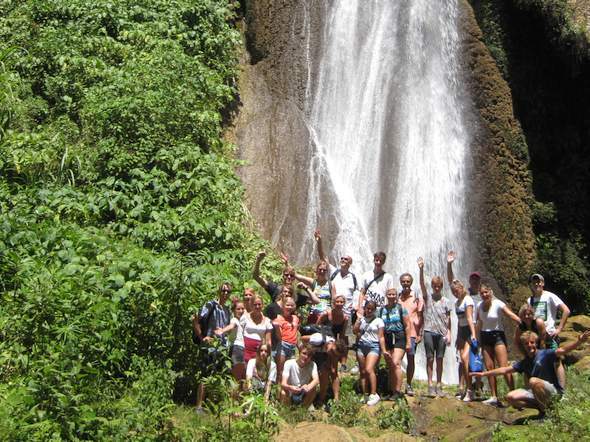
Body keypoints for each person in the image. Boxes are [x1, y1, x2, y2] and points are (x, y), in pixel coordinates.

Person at [471, 330, 590, 417]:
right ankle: (542, 406)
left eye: (532, 342)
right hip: (537, 393)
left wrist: (578, 342)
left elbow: (563, 350)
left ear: (536, 343)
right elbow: (505, 370)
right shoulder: (525, 362)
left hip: (553, 391)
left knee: (533, 381)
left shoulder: (546, 353)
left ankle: (545, 413)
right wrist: (483, 374)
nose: (529, 345)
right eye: (526, 344)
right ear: (523, 346)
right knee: (510, 397)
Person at [314, 230, 359, 357]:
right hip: (333, 310)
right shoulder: (334, 271)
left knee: (343, 336)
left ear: (350, 263)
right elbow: (323, 257)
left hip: (346, 312)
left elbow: (359, 292)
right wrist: (319, 241)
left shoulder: (354, 278)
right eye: (342, 258)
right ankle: (326, 356)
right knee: (329, 332)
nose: (343, 260)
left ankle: (343, 361)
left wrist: (357, 308)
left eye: (346, 259)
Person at [476, 283, 521, 406]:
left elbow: (510, 314)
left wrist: (523, 323)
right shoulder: (479, 306)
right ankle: (494, 396)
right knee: (490, 368)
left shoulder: (498, 303)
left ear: (490, 292)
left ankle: (514, 394)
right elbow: (478, 322)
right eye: (482, 293)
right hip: (485, 336)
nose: (484, 295)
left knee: (504, 367)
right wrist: (476, 338)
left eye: (486, 292)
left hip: (498, 336)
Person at [192, 282, 232, 414]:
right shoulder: (210, 305)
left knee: (217, 376)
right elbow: (196, 319)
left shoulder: (227, 310)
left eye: (228, 291)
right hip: (209, 347)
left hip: (221, 348)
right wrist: (202, 337)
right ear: (218, 291)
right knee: (205, 375)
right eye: (223, 290)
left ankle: (212, 406)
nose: (225, 293)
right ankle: (198, 406)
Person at [418, 257, 451, 397]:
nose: (436, 288)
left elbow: (449, 319)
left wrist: (449, 333)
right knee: (430, 358)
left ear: (442, 287)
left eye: (439, 286)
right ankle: (430, 384)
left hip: (442, 333)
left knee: (440, 359)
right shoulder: (427, 298)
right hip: (428, 331)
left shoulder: (446, 301)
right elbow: (421, 285)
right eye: (434, 286)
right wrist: (421, 269)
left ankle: (439, 384)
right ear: (432, 286)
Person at [379, 288, 411, 400]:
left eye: (393, 294)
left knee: (396, 363)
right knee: (390, 365)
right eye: (389, 294)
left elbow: (407, 325)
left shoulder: (401, 308)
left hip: (399, 336)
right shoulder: (381, 310)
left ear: (396, 296)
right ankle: (390, 391)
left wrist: (408, 342)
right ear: (386, 296)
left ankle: (397, 391)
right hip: (387, 337)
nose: (391, 296)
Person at [354, 300, 385, 406]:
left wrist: (384, 350)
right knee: (362, 372)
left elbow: (381, 337)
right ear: (365, 308)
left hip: (373, 346)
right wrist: (358, 320)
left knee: (369, 369)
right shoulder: (361, 319)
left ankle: (374, 393)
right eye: (367, 308)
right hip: (361, 345)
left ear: (375, 310)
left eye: (372, 309)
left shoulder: (379, 321)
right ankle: (365, 394)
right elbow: (355, 331)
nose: (369, 310)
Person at [527, 273, 570, 349]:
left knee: (552, 360)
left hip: (550, 335)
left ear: (543, 283)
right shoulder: (529, 300)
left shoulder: (550, 296)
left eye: (538, 282)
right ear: (531, 285)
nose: (536, 284)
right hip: (536, 338)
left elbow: (566, 311)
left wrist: (559, 329)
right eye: (534, 283)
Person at [451, 279, 477, 402]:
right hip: (462, 331)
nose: (455, 293)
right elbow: (459, 322)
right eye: (453, 292)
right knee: (462, 361)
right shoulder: (457, 303)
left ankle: (470, 389)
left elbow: (469, 318)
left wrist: (473, 334)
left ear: (462, 288)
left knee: (466, 359)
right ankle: (466, 388)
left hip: (470, 331)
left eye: (457, 290)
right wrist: (457, 336)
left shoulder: (468, 300)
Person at [399, 272, 423, 396]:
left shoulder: (416, 297)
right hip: (398, 332)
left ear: (411, 282)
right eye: (403, 281)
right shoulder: (397, 297)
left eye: (408, 281)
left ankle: (408, 384)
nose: (405, 283)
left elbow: (420, 315)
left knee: (410, 358)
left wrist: (420, 332)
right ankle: (395, 385)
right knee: (396, 359)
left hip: (413, 332)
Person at [214, 299, 246, 384]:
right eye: (238, 309)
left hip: (242, 349)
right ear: (233, 311)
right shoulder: (234, 320)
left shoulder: (243, 322)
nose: (241, 311)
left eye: (243, 309)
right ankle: (234, 396)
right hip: (237, 349)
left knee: (242, 377)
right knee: (237, 378)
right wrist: (222, 331)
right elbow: (231, 326)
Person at [273, 297, 300, 382]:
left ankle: (286, 391)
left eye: (291, 305)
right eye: (287, 305)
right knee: (280, 371)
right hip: (283, 345)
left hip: (292, 347)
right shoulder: (279, 318)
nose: (289, 307)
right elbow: (279, 336)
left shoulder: (295, 318)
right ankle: (278, 390)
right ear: (283, 306)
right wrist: (277, 327)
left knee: (289, 371)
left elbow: (296, 332)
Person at [239, 295, 272, 363]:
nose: (257, 306)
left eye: (259, 304)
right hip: (245, 349)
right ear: (251, 305)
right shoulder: (244, 318)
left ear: (262, 305)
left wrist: (267, 353)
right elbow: (239, 334)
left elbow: (268, 340)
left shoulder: (267, 321)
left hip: (258, 351)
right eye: (255, 304)